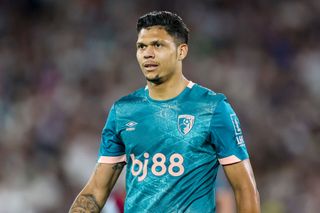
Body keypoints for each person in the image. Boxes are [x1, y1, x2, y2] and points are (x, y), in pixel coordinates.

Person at [69, 11, 260, 213]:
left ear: (181, 51)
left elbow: (245, 189)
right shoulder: (123, 111)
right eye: (141, 46)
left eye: (158, 45)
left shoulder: (213, 108)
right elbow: (96, 191)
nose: (148, 53)